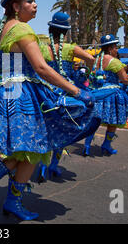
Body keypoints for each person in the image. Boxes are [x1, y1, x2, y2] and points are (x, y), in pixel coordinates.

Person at [0, 0, 96, 221]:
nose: (35, 5)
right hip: (22, 96)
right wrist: (75, 91)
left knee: (27, 151)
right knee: (33, 150)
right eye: (30, 1)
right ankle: (5, 195)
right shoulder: (22, 29)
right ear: (16, 6)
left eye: (35, 1)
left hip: (10, 93)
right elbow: (41, 68)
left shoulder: (6, 29)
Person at [37, 11, 98, 181]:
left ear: (50, 29)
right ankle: (54, 166)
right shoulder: (71, 49)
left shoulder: (42, 48)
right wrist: (85, 74)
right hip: (66, 91)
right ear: (65, 32)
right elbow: (91, 59)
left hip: (45, 92)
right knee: (62, 128)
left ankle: (42, 167)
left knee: (46, 129)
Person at [82, 34, 128, 156]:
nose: (117, 50)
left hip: (95, 94)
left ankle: (87, 146)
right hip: (111, 95)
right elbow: (126, 80)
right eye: (116, 47)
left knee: (93, 121)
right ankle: (106, 144)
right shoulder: (115, 62)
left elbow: (89, 76)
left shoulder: (94, 61)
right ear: (110, 48)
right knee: (113, 121)